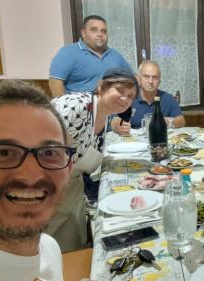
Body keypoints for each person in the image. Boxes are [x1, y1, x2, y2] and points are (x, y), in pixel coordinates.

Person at [0, 80, 74, 280]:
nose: (31, 175)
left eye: (50, 152)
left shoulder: (49, 248)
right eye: (4, 152)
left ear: (69, 168)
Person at [48, 67, 137, 252]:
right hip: (48, 192)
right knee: (46, 248)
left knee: (70, 246)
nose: (125, 99)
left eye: (130, 96)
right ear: (102, 87)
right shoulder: (75, 107)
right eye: (120, 90)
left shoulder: (104, 116)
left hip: (71, 189)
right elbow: (40, 148)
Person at [49, 15, 132, 97]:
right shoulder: (68, 53)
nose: (100, 34)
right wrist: (63, 107)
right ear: (84, 33)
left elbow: (132, 78)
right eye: (94, 30)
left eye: (103, 31)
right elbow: (55, 82)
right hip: (79, 108)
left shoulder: (114, 55)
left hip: (111, 107)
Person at [111, 60, 185, 135]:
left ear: (159, 81)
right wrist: (118, 126)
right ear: (138, 79)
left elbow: (182, 121)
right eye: (146, 77)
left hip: (159, 140)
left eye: (155, 77)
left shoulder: (167, 98)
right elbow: (115, 120)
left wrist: (168, 122)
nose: (150, 81)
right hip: (134, 142)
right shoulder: (128, 97)